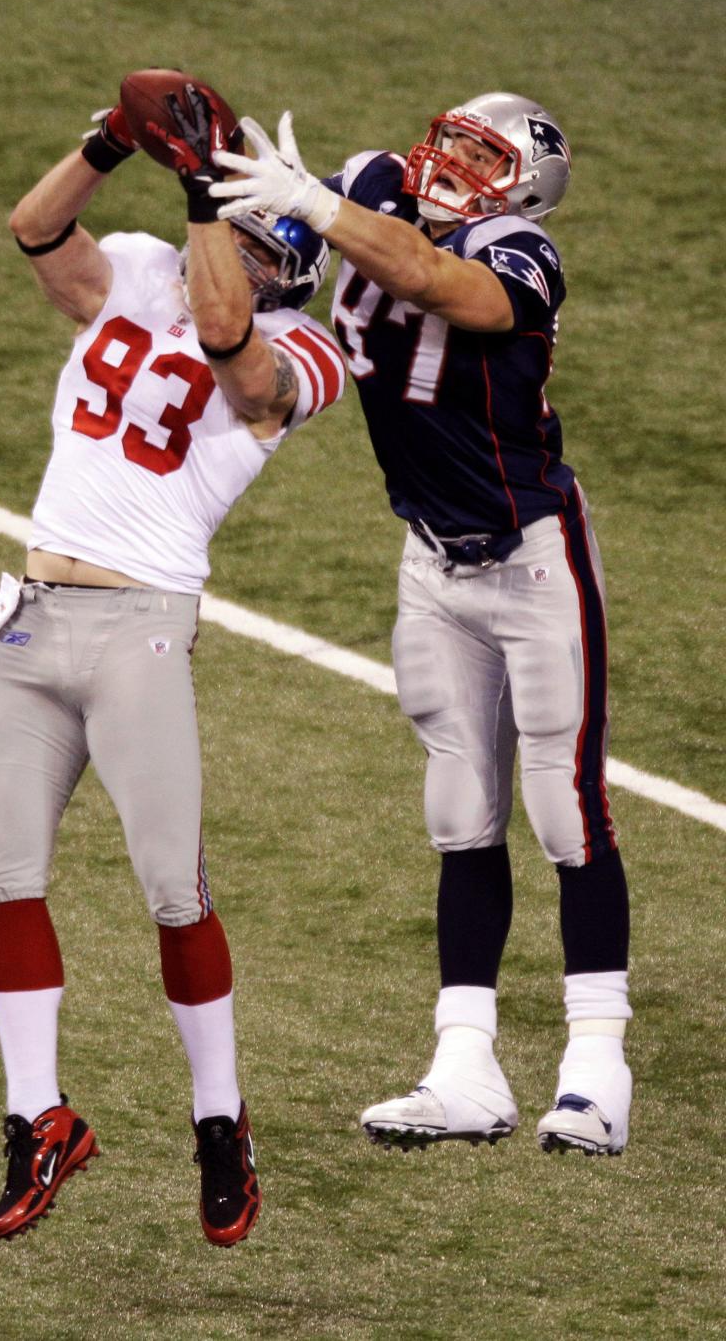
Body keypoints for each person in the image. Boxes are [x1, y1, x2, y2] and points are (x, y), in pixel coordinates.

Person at [211, 94, 632, 1157]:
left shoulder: (522, 249)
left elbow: (446, 288)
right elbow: (282, 277)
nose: (446, 163)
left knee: (566, 810)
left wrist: (323, 206)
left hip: (534, 555)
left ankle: (596, 1067)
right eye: (449, 140)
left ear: (523, 184)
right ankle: (465, 1063)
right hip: (432, 558)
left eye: (481, 156)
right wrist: (223, 202)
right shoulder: (372, 182)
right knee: (460, 807)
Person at [0, 84, 345, 1246]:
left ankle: (219, 1116)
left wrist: (199, 193)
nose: (208, 255)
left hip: (143, 624)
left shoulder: (304, 351)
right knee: (5, 875)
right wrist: (104, 145)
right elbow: (37, 232)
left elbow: (236, 356)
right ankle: (37, 1115)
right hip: (35, 612)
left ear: (274, 260)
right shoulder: (140, 267)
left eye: (237, 238)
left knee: (172, 888)